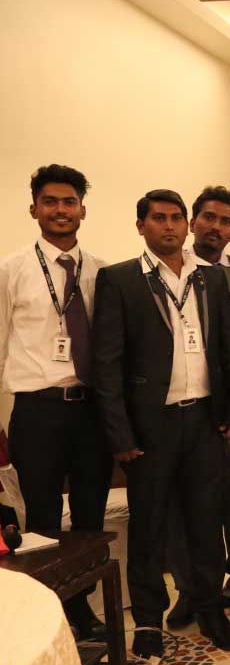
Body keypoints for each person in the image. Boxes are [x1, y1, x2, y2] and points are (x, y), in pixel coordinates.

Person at [91, 190, 230, 656]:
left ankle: (210, 609)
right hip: (150, 426)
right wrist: (120, 434)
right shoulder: (120, 279)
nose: (170, 226)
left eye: (177, 218)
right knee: (150, 525)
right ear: (141, 226)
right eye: (158, 218)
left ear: (187, 225)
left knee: (206, 521)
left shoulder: (209, 278)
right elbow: (107, 365)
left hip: (204, 420)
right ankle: (148, 622)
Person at [0, 164, 112, 640]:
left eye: (69, 202)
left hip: (91, 410)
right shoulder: (11, 270)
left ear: (83, 210)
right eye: (50, 202)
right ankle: (50, 614)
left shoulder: (103, 272)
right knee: (42, 517)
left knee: (90, 513)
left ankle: (82, 608)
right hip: (37, 410)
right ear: (34, 209)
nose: (60, 210)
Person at [167, 186, 230, 628]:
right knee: (184, 505)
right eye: (208, 217)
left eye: (225, 221)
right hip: (184, 409)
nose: (216, 226)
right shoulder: (170, 270)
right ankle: (191, 591)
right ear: (194, 222)